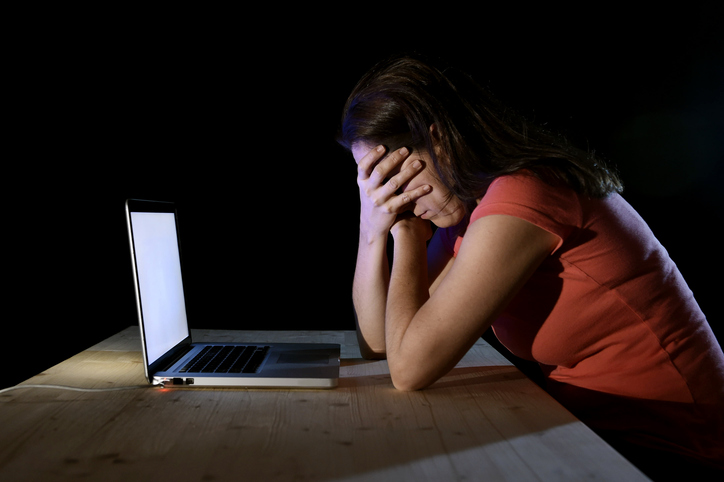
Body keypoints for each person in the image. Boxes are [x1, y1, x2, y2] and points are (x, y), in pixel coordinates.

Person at [337, 54, 724, 478]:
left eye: (391, 177)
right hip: (596, 433)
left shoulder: (525, 193)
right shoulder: (465, 208)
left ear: (441, 139)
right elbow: (382, 347)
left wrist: (407, 233)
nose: (388, 196)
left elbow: (409, 369)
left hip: (674, 450)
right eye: (372, 183)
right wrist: (372, 229)